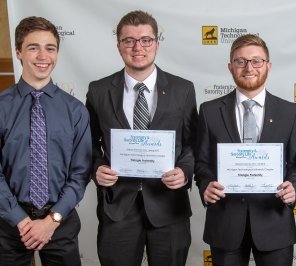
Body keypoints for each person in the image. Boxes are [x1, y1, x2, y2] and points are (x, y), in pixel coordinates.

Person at [86, 10, 198, 266]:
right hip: (118, 207)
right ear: (119, 46)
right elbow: (89, 144)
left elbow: (193, 143)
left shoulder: (183, 89)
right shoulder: (99, 90)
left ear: (157, 44)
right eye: (129, 41)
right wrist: (97, 167)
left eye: (146, 40)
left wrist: (184, 170)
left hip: (169, 205)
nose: (138, 47)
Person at [195, 34, 296, 266]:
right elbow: (201, 163)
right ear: (230, 67)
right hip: (225, 221)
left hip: (274, 220)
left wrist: (294, 187)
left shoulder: (290, 112)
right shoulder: (209, 111)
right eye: (240, 61)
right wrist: (205, 185)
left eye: (256, 61)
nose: (248, 68)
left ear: (268, 66)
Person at [0, 16, 91, 266]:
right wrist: (20, 220)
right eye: (33, 47)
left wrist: (52, 220)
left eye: (50, 48)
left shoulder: (76, 111)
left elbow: (80, 173)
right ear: (18, 52)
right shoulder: (1, 108)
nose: (43, 56)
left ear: (57, 54)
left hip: (60, 223)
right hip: (8, 224)